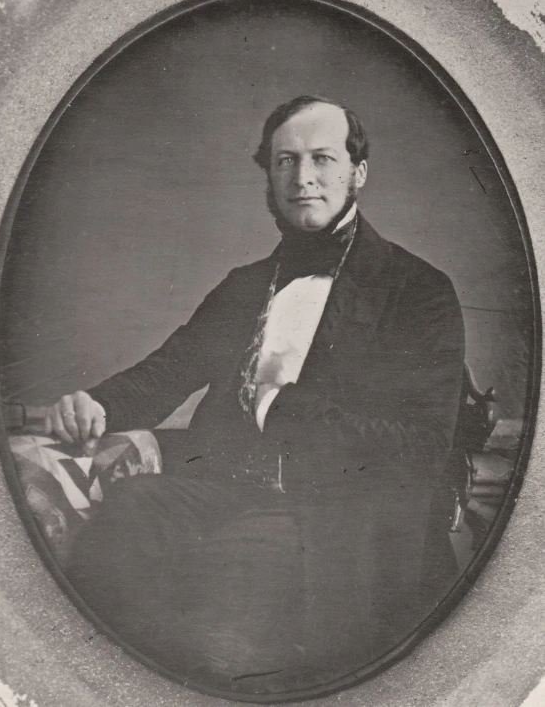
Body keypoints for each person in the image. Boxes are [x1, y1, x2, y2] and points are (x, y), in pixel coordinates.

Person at [50, 96, 465, 696]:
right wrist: (98, 404)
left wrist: (288, 409)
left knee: (232, 585)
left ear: (358, 172)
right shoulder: (245, 286)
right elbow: (168, 371)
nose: (303, 179)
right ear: (268, 176)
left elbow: (423, 447)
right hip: (223, 486)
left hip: (338, 513)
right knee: (127, 522)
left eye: (322, 159)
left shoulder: (418, 290)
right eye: (285, 161)